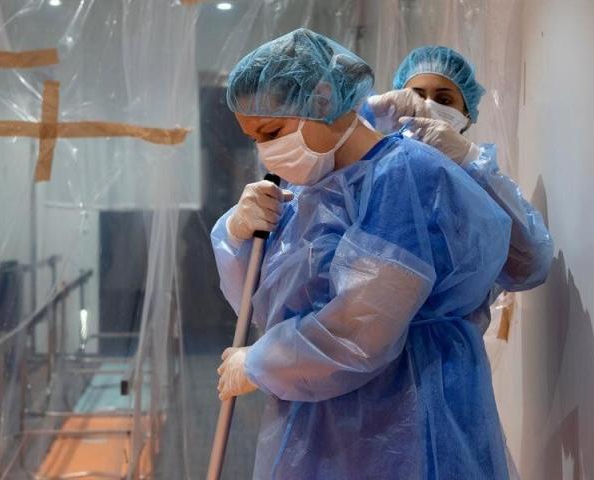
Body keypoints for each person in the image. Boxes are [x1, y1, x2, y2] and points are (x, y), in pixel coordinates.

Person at [212, 29, 513, 479]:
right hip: (325, 424)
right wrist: (235, 233)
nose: (266, 151)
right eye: (254, 138)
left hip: (407, 414)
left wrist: (259, 362)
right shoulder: (312, 189)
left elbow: (361, 330)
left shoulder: (403, 176)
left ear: (321, 99)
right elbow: (264, 303)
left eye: (271, 132)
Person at [362, 45, 554, 334]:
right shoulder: (374, 171)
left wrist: (468, 159)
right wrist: (362, 115)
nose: (427, 106)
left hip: (446, 352)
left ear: (466, 113)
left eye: (443, 99)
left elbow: (529, 266)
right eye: (416, 96)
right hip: (362, 349)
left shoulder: (480, 183)